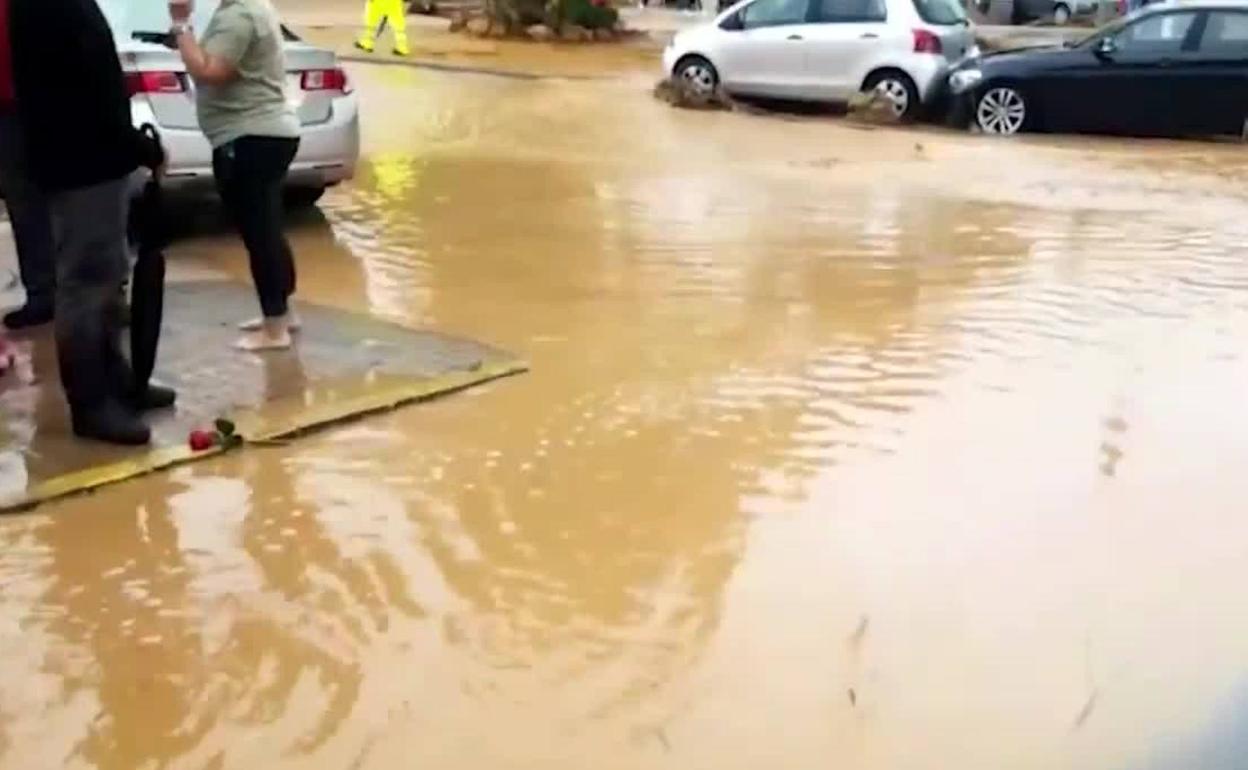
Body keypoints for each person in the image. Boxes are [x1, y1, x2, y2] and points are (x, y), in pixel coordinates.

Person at [11, 0, 172, 445]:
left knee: (107, 276)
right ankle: (91, 404)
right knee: (85, 284)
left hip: (97, 160)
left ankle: (117, 383)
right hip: (80, 163)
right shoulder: (49, 11)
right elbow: (80, 96)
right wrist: (137, 148)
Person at [170, 0, 302, 351]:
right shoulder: (253, 7)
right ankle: (283, 313)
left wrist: (181, 25)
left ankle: (275, 329)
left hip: (250, 137)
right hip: (264, 133)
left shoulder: (240, 15)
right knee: (267, 229)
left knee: (260, 234)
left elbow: (210, 71)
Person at [0, 0, 55, 331]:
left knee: (54, 202)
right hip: (9, 111)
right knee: (26, 206)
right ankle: (43, 291)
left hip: (36, 105)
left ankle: (58, 291)